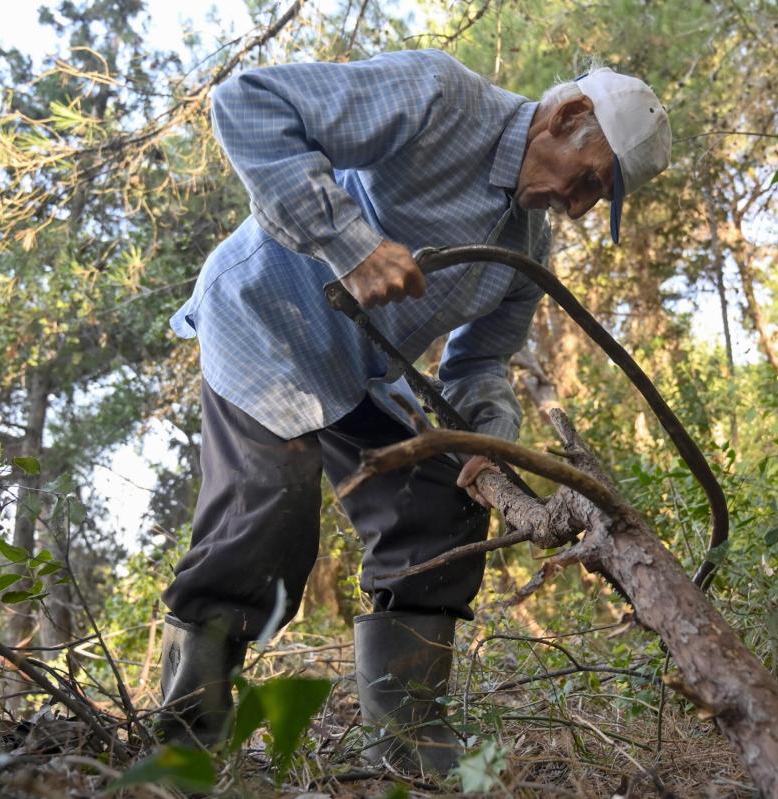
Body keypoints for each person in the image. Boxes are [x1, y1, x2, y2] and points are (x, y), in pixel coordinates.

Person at [155, 48, 671, 774]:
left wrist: (490, 441)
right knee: (268, 514)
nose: (579, 207)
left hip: (353, 371)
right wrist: (350, 245)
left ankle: (406, 754)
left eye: (598, 199)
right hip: (264, 321)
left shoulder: (526, 248)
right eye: (588, 180)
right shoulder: (440, 99)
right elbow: (248, 105)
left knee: (443, 508)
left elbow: (479, 364)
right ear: (567, 116)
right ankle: (185, 749)